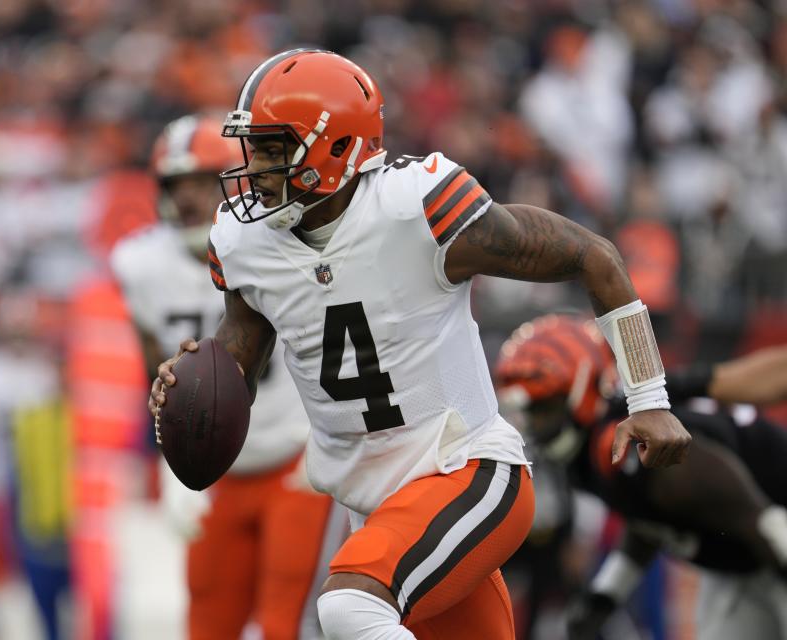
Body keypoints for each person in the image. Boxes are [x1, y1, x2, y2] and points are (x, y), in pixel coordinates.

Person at [150, 49, 690, 640]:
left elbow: (595, 256)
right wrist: (193, 380)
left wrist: (649, 397)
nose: (254, 170)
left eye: (275, 150)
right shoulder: (244, 241)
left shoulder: (418, 207)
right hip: (376, 508)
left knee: (349, 607)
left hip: (467, 472)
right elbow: (240, 361)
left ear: (336, 149)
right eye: (252, 149)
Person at [111, 114, 347, 640]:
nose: (191, 198)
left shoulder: (280, 242)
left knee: (288, 625)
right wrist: (172, 463)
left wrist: (328, 439)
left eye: (202, 180)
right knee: (206, 623)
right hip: (216, 470)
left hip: (295, 456)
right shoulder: (139, 263)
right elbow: (158, 373)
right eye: (178, 184)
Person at [494, 316, 787, 639]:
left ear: (581, 390)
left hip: (771, 542)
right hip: (743, 562)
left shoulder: (625, 442)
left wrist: (773, 530)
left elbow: (722, 488)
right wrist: (606, 595)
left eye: (544, 408)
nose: (536, 423)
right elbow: (650, 517)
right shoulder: (589, 454)